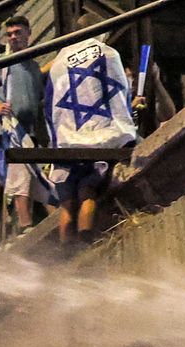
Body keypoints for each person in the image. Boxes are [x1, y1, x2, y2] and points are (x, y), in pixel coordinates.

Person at [44, 20, 138, 244]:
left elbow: (49, 106)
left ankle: (65, 254)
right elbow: (118, 92)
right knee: (88, 193)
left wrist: (57, 140)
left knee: (67, 204)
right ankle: (85, 245)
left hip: (67, 143)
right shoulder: (108, 53)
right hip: (99, 139)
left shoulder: (58, 63)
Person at [0, 16, 44, 233]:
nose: (13, 37)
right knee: (19, 174)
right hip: (9, 129)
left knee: (37, 175)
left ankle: (35, 221)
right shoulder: (1, 60)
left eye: (18, 32)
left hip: (30, 131)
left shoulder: (34, 66)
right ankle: (24, 225)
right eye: (10, 34)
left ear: (28, 33)